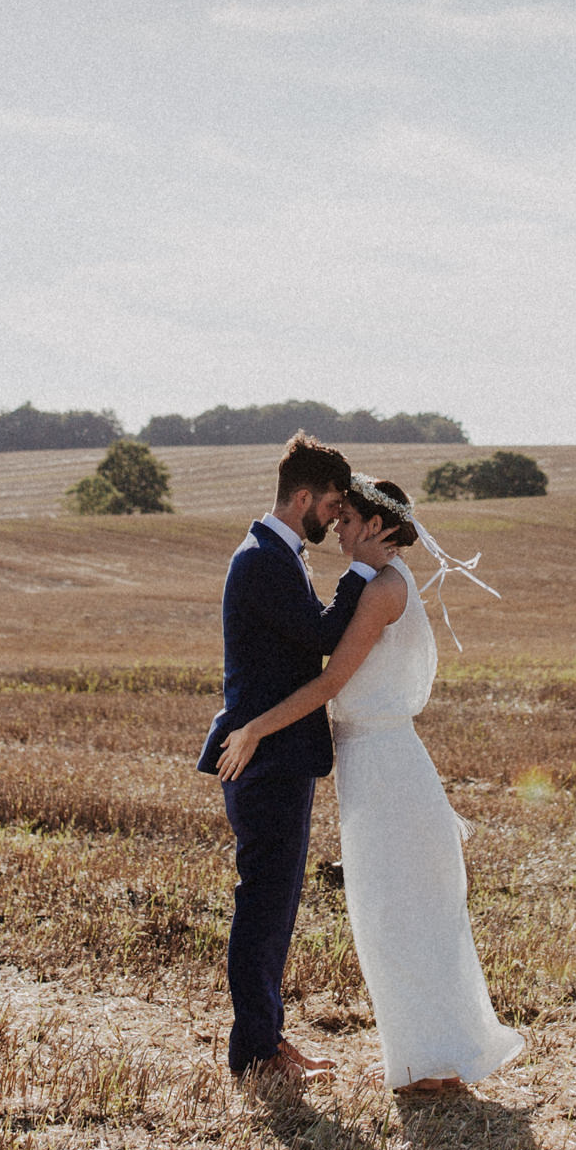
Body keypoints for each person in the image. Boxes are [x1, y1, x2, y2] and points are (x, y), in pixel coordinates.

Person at [216, 475, 523, 1098]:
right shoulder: (387, 583)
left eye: (350, 521)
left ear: (380, 526)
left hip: (384, 769)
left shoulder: (381, 589)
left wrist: (253, 729)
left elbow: (329, 685)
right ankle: (426, 1059)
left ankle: (427, 1065)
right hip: (377, 765)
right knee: (397, 913)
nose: (339, 531)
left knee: (395, 915)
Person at [199, 433, 368, 1082]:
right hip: (264, 761)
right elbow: (325, 636)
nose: (334, 518)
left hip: (272, 758)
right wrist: (363, 570)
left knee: (273, 908)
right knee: (264, 909)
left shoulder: (275, 554)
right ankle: (258, 1053)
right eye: (330, 505)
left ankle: (267, 1042)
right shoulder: (265, 560)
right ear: (303, 496)